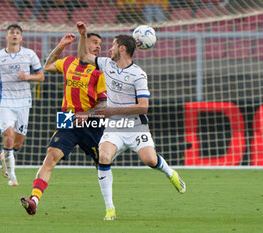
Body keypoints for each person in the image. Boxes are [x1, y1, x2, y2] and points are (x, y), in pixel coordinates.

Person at [76, 21, 186, 220]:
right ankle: (110, 209)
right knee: (103, 157)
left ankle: (171, 173)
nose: (108, 49)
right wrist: (82, 35)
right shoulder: (106, 64)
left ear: (122, 48)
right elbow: (83, 56)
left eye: (113, 45)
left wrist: (111, 110)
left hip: (136, 126)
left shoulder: (138, 75)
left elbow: (144, 107)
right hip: (115, 126)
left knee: (150, 160)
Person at [20, 33, 107, 215]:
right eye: (94, 42)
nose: (98, 46)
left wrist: (88, 114)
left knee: (102, 163)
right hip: (67, 118)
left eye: (100, 44)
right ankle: (34, 200)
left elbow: (103, 104)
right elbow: (48, 65)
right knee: (51, 156)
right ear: (84, 44)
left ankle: (109, 204)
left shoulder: (100, 72)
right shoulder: (68, 62)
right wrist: (61, 46)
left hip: (91, 123)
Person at [0, 24, 45, 186]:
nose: (14, 35)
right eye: (11, 32)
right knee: (8, 138)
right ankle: (12, 178)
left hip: (24, 102)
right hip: (5, 102)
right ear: (6, 37)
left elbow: (41, 76)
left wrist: (28, 77)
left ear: (21, 37)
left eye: (17, 33)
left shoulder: (29, 54)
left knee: (17, 143)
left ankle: (6, 155)